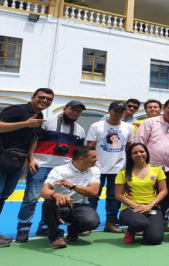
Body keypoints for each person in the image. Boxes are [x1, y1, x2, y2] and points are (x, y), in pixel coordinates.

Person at [16, 100, 86, 242]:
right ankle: (23, 229)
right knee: (31, 198)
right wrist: (31, 159)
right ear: (65, 109)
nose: (75, 113)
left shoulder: (80, 130)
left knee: (53, 200)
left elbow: (78, 153)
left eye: (78, 111)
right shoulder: (48, 123)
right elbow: (33, 141)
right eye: (72, 109)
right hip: (41, 165)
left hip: (62, 171)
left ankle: (45, 226)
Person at [0, 87, 54, 246]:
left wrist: (31, 159)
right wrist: (25, 123)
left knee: (4, 195)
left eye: (49, 99)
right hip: (1, 158)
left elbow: (33, 140)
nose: (45, 101)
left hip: (16, 162)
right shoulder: (17, 110)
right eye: (42, 97)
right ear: (33, 97)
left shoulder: (40, 116)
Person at [135, 98, 169, 232]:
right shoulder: (150, 123)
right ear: (164, 107)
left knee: (166, 195)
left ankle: (162, 222)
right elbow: (140, 143)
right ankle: (142, 222)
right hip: (149, 167)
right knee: (147, 194)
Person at [86, 101, 134, 233]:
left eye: (121, 111)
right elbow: (90, 146)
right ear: (109, 111)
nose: (118, 113)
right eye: (115, 110)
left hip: (118, 168)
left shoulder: (128, 127)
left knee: (114, 197)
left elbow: (128, 147)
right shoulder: (96, 126)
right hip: (97, 168)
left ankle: (111, 222)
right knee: (93, 196)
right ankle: (88, 223)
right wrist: (91, 164)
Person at [39, 146, 101, 249]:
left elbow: (93, 192)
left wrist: (72, 186)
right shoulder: (59, 170)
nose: (97, 159)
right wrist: (56, 195)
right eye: (94, 157)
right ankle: (56, 237)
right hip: (58, 205)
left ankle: (72, 231)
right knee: (48, 203)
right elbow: (43, 191)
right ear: (81, 159)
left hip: (79, 205)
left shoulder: (94, 170)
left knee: (92, 222)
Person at [115, 142, 167, 244]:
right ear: (130, 156)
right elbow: (118, 195)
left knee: (155, 239)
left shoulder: (157, 169)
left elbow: (164, 191)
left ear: (146, 153)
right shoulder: (123, 172)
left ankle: (148, 230)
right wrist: (137, 206)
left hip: (152, 207)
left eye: (142, 151)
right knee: (139, 223)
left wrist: (150, 205)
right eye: (135, 153)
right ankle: (131, 230)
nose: (139, 154)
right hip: (131, 208)